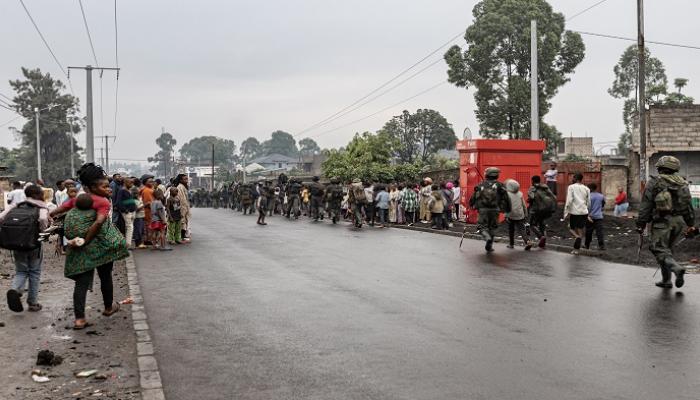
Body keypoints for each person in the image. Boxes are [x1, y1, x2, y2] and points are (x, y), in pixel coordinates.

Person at [56, 163, 129, 330]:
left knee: (81, 282)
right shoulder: (101, 201)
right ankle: (109, 308)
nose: (108, 188)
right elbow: (99, 223)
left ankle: (80, 319)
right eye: (104, 185)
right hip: (99, 244)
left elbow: (63, 215)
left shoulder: (77, 199)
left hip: (80, 245)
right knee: (105, 276)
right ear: (90, 187)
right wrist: (87, 240)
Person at [637, 156, 697, 289]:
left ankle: (676, 269)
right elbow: (688, 206)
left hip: (662, 222)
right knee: (667, 250)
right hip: (679, 222)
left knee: (658, 248)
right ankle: (666, 281)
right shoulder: (682, 183)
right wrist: (691, 224)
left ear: (660, 168)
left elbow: (645, 206)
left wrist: (640, 224)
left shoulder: (654, 182)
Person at [1, 185, 51, 312]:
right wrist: (43, 230)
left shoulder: (16, 204)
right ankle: (33, 303)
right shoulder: (41, 206)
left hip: (16, 243)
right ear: (39, 194)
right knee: (34, 272)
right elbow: (43, 219)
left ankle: (15, 289)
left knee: (21, 271)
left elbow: (1, 217)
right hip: (33, 244)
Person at [469, 167, 509, 252]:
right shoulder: (500, 185)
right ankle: (489, 246)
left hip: (483, 210)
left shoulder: (480, 185)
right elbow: (506, 198)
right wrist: (507, 208)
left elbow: (473, 197)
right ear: (496, 175)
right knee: (493, 227)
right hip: (495, 210)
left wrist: (471, 204)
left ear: (486, 175)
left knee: (481, 227)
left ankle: (487, 238)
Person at [563, 173, 591, 255]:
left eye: (573, 178)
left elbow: (569, 200)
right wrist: (588, 211)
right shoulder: (586, 188)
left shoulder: (571, 187)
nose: (572, 179)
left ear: (575, 178)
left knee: (571, 228)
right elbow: (589, 202)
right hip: (584, 211)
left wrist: (566, 212)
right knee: (580, 228)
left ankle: (577, 237)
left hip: (575, 212)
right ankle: (577, 248)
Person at [527, 175, 557, 248]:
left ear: (533, 181)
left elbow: (531, 197)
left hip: (536, 209)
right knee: (542, 224)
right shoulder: (545, 187)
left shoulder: (532, 188)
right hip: (546, 209)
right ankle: (543, 242)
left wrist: (529, 200)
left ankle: (541, 237)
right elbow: (553, 196)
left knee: (532, 224)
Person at [504, 179, 532, 250]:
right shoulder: (520, 193)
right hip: (520, 214)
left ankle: (511, 244)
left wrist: (506, 215)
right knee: (522, 229)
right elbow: (524, 205)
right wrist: (526, 214)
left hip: (511, 214)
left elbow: (506, 206)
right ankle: (528, 242)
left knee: (511, 229)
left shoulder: (507, 194)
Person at [584, 183, 606, 251]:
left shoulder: (588, 196)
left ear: (590, 189)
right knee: (599, 232)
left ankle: (587, 245)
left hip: (590, 217)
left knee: (588, 232)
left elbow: (586, 207)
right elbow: (603, 204)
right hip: (599, 217)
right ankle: (601, 246)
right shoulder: (601, 196)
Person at [174, 174, 192, 242]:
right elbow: (181, 199)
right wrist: (181, 209)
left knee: (184, 222)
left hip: (185, 207)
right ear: (181, 180)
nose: (186, 180)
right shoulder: (180, 187)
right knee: (182, 222)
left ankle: (182, 236)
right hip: (182, 208)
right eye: (185, 179)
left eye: (187, 179)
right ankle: (181, 237)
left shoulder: (183, 187)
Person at [140, 175, 155, 245]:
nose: (152, 182)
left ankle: (148, 239)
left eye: (152, 181)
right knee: (149, 225)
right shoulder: (147, 191)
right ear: (145, 182)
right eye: (150, 181)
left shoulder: (148, 189)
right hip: (148, 211)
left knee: (148, 225)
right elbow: (148, 203)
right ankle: (148, 239)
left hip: (148, 211)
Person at [132, 185, 146, 249]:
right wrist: (144, 205)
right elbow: (136, 209)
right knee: (138, 231)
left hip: (142, 216)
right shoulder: (133, 201)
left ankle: (141, 243)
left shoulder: (140, 198)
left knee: (142, 230)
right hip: (137, 217)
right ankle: (138, 244)